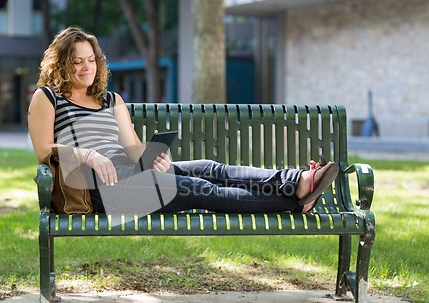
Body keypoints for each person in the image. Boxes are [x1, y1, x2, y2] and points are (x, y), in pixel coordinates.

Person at [28, 26, 339, 216]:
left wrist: (154, 159)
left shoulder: (111, 100)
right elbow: (44, 150)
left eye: (91, 60)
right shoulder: (48, 97)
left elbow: (133, 150)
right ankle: (295, 198)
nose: (87, 67)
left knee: (208, 168)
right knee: (197, 188)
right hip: (99, 191)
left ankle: (295, 182)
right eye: (77, 62)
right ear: (62, 64)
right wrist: (90, 155)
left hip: (129, 173)